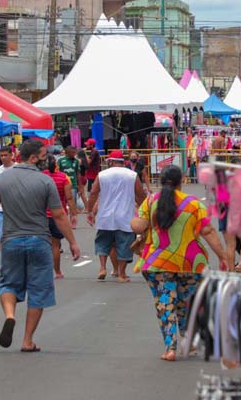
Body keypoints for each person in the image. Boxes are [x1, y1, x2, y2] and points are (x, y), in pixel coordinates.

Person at [0, 139, 81, 352]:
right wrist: (72, 242)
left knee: (7, 283)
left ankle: (10, 315)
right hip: (39, 241)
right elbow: (59, 215)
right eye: (43, 156)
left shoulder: (1, 180)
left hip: (11, 240)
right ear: (33, 158)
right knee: (38, 289)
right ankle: (27, 340)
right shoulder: (45, 182)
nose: (47, 160)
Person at [132, 165, 230, 361]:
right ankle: (189, 341)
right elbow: (208, 232)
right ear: (182, 181)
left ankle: (170, 348)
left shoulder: (152, 201)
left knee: (165, 302)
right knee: (188, 303)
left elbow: (139, 225)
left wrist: (137, 223)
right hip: (191, 263)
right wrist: (222, 256)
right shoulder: (193, 204)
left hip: (157, 263)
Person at [87, 149, 146, 282]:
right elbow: (140, 194)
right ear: (123, 161)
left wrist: (90, 211)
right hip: (125, 216)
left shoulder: (102, 174)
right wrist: (143, 210)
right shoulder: (131, 175)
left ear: (111, 161)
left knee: (103, 242)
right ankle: (121, 274)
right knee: (124, 244)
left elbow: (93, 192)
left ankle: (102, 268)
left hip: (105, 216)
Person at [43, 156, 77, 279]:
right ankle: (57, 271)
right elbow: (69, 198)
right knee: (55, 245)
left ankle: (42, 271)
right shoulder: (64, 178)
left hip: (42, 215)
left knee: (42, 245)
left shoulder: (41, 176)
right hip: (57, 215)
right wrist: (74, 214)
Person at [0, 147, 15, 258]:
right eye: (1, 156)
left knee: (15, 236)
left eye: (5, 155)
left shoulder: (18, 168)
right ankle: (3, 261)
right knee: (1, 236)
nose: (3, 158)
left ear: (11, 155)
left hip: (15, 208)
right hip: (1, 208)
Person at [58, 145, 87, 212]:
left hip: (73, 185)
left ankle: (72, 219)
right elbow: (57, 172)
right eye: (73, 152)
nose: (75, 154)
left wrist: (80, 187)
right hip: (62, 185)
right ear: (67, 152)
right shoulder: (60, 160)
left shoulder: (77, 161)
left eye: (75, 152)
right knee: (62, 204)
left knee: (72, 204)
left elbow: (78, 174)